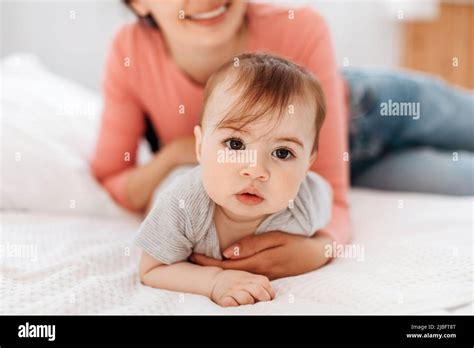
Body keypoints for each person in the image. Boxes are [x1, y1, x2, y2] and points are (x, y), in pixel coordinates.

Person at [91, 1, 473, 280]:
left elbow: (332, 197)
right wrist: (175, 155)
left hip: (371, 109)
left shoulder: (300, 27)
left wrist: (319, 249)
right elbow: (112, 176)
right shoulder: (130, 52)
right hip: (313, 167)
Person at [136, 53, 332, 306]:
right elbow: (151, 269)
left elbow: (328, 236)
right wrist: (215, 280)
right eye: (235, 144)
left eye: (282, 153)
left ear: (308, 164)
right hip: (171, 179)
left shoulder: (309, 201)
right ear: (200, 145)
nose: (255, 170)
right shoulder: (180, 205)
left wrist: (323, 248)